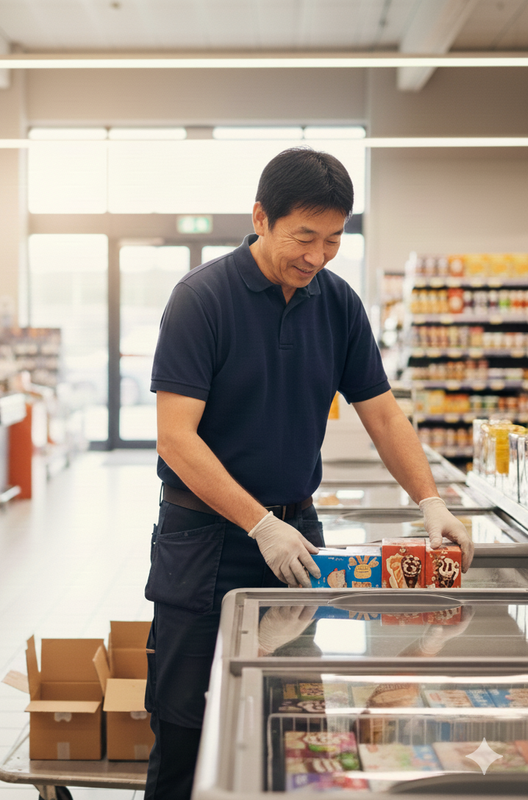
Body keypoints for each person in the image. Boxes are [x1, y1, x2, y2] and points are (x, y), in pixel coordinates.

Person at [142, 146, 474, 800]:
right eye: (304, 237)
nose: (317, 256)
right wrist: (257, 523)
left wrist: (431, 499)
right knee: (187, 721)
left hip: (299, 537)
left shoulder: (338, 304)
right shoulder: (201, 299)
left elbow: (382, 415)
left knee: (294, 720)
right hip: (205, 542)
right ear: (261, 218)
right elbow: (176, 440)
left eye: (333, 240)